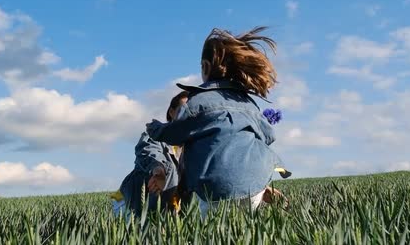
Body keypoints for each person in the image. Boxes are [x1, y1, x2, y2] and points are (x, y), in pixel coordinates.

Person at [146, 27, 291, 218]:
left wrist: (155, 128)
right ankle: (262, 190)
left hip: (213, 191)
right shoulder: (249, 103)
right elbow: (269, 136)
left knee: (207, 229)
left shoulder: (198, 102)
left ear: (205, 67)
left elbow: (173, 134)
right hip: (254, 185)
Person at [110, 91, 189, 217]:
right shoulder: (156, 135)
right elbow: (148, 150)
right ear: (172, 112)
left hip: (163, 212)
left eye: (192, 110)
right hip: (128, 206)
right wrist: (158, 168)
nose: (188, 115)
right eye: (183, 110)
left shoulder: (193, 146)